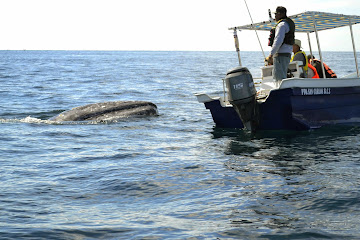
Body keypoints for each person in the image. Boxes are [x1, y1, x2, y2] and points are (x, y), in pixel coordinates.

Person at [265, 6, 295, 81]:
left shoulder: (282, 25)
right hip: (287, 53)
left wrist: (271, 54)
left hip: (280, 54)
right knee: (282, 75)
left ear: (280, 14)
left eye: (276, 14)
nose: (275, 16)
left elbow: (278, 40)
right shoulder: (288, 23)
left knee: (279, 78)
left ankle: (281, 91)